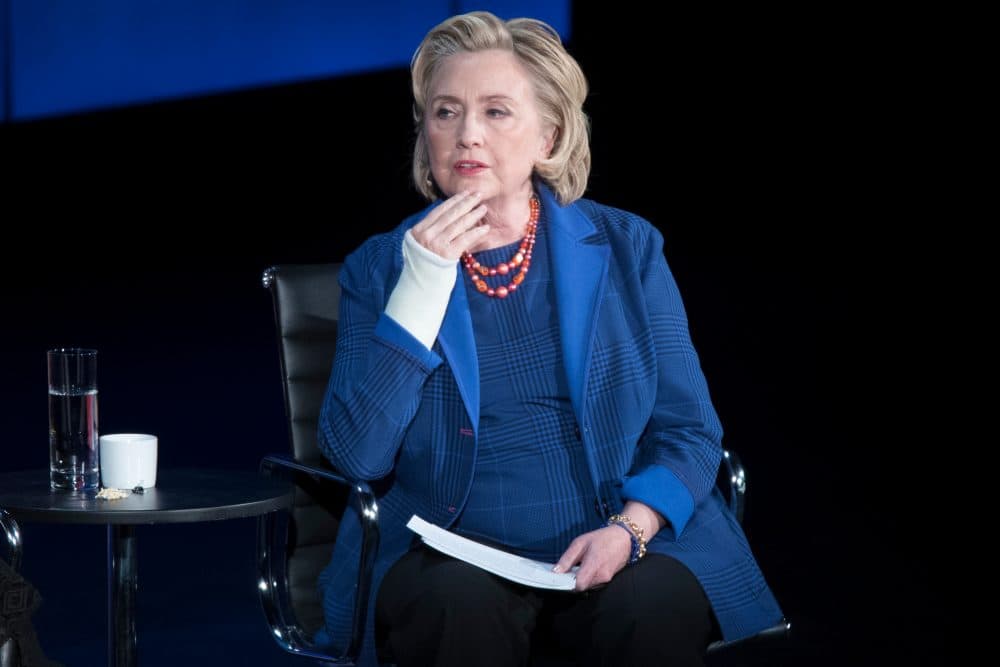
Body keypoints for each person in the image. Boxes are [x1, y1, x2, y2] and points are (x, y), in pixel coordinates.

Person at [315, 11, 783, 667]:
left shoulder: (628, 247)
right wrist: (420, 290)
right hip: (454, 553)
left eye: (497, 111)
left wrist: (629, 528)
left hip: (623, 539)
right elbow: (357, 455)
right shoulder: (381, 266)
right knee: (453, 607)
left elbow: (689, 429)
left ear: (550, 136)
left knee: (647, 610)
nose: (466, 133)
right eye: (445, 112)